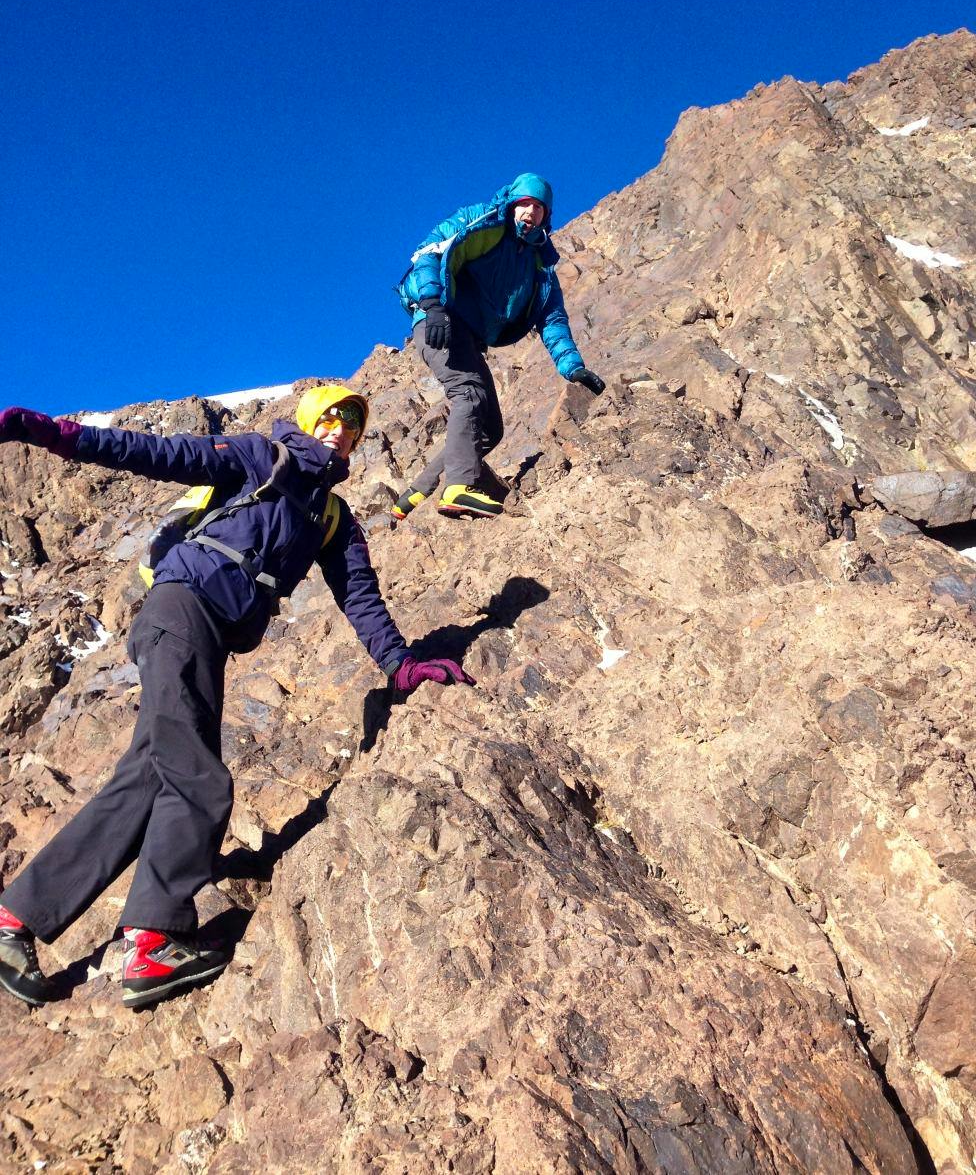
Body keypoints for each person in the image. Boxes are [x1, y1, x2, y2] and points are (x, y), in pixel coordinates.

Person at [0, 385, 472, 1009]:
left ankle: (16, 921)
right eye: (332, 419)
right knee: (198, 779)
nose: (340, 433)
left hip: (206, 637)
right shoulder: (258, 456)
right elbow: (161, 454)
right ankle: (151, 939)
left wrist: (400, 664)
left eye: (352, 429)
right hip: (180, 610)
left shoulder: (331, 518)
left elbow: (359, 597)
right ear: (309, 420)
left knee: (146, 781)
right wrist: (61, 436)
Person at [393, 173, 605, 520]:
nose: (530, 211)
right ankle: (459, 488)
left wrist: (573, 368)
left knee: (490, 428)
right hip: (440, 322)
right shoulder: (480, 222)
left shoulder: (541, 269)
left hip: (470, 340)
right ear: (511, 203)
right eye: (524, 202)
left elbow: (553, 322)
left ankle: (416, 495)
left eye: (539, 207)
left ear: (546, 217)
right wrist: (431, 305)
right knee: (469, 394)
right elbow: (427, 252)